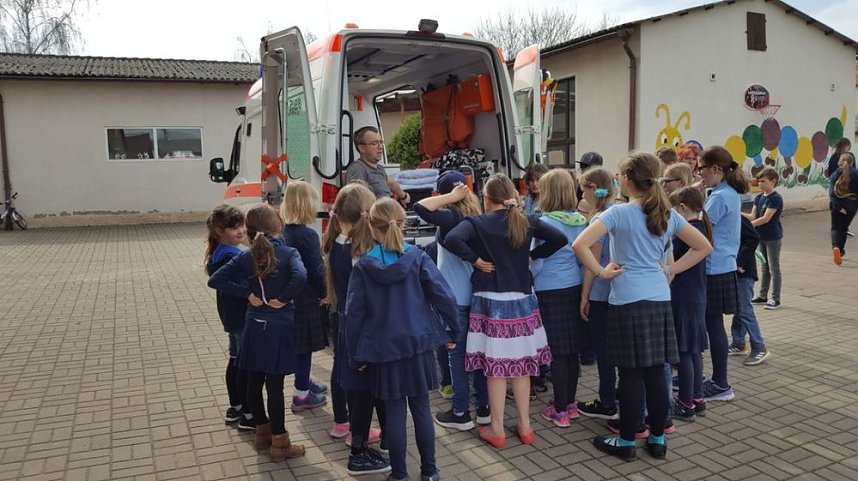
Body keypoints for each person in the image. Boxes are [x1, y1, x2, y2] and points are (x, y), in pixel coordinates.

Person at [572, 152, 712, 461]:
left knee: (631, 375)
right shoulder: (666, 212)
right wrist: (671, 270)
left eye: (621, 175)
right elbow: (704, 247)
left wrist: (601, 272)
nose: (619, 179)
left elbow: (579, 244)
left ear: (629, 179)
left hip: (627, 300)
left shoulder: (618, 213)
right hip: (659, 298)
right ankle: (658, 439)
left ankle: (626, 443)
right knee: (654, 374)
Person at [445, 173, 566, 449]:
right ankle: (525, 425)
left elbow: (452, 239)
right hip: (523, 300)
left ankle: (497, 428)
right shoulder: (526, 219)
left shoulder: (476, 223)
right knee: (522, 366)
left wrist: (475, 260)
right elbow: (559, 239)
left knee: (495, 368)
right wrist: (534, 255)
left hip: (490, 302)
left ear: (487, 199)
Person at [344, 197, 459, 481]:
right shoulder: (418, 257)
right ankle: (430, 473)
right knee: (421, 408)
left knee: (395, 413)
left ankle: (399, 474)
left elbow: (352, 314)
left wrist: (354, 355)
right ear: (403, 223)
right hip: (418, 345)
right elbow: (444, 295)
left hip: (384, 350)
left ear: (371, 226)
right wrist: (453, 329)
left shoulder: (363, 266)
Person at [207, 204, 308, 460]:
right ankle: (280, 442)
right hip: (278, 326)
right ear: (278, 225)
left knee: (253, 380)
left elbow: (215, 280)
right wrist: (284, 299)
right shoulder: (289, 252)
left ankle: (262, 432)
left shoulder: (245, 256)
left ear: (250, 230)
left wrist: (247, 293)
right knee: (274, 386)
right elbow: (301, 276)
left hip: (253, 324)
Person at [414, 171, 490, 431]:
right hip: (477, 297)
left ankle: (460, 411)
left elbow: (420, 207)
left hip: (455, 300)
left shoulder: (451, 218)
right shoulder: (477, 218)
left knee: (456, 356)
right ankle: (483, 409)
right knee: (478, 355)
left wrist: (448, 197)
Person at [322, 183, 390, 475]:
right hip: (365, 331)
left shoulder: (336, 241)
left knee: (361, 392)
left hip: (347, 326)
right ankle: (358, 453)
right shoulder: (364, 252)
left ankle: (372, 441)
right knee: (365, 395)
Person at [529, 169, 588, 428]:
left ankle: (560, 408)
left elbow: (535, 261)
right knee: (572, 349)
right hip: (574, 286)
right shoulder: (581, 220)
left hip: (549, 289)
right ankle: (571, 404)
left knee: (557, 352)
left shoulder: (545, 223)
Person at [697, 146, 750, 402]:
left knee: (713, 325)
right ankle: (715, 379)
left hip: (714, 267)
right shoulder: (724, 193)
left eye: (702, 168)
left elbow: (699, 228)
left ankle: (720, 383)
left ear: (716, 169)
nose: (700, 173)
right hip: (720, 265)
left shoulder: (719, 196)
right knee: (713, 323)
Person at [280, 181, 328, 412]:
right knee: (304, 347)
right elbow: (316, 270)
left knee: (300, 346)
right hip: (307, 297)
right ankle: (301, 394)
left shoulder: (284, 231)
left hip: (291, 297)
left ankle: (304, 381)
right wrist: (324, 293)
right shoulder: (308, 235)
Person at [577, 168, 620, 421]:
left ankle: (606, 401)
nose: (581, 194)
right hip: (621, 292)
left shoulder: (599, 220)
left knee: (604, 352)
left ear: (593, 188)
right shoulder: (622, 211)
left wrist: (585, 296)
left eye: (583, 188)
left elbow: (591, 264)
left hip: (602, 293)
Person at [204, 205, 251, 428]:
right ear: (219, 231)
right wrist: (249, 292)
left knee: (234, 359)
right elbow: (238, 286)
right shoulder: (232, 256)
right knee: (245, 364)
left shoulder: (219, 253)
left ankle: (236, 406)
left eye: (241, 225)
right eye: (234, 228)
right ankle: (249, 414)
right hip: (241, 316)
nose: (240, 231)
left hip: (230, 317)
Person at [667, 187, 711, 422]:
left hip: (684, 296)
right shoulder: (701, 227)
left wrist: (670, 269)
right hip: (696, 296)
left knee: (684, 352)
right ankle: (697, 398)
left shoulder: (687, 231)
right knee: (692, 350)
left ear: (682, 208)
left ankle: (685, 403)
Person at [730, 215, 771, 365]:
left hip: (744, 271)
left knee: (744, 309)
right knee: (739, 308)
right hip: (734, 271)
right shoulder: (728, 217)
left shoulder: (738, 218)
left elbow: (753, 238)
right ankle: (739, 343)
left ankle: (759, 347)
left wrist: (739, 261)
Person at [746, 167, 784, 310]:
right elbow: (753, 216)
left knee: (774, 268)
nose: (760, 184)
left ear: (773, 182)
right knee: (764, 266)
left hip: (773, 237)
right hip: (760, 237)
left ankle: (775, 298)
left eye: (763, 181)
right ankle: (762, 295)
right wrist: (736, 213)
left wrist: (748, 226)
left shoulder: (775, 198)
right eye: (758, 181)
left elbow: (765, 218)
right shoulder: (759, 197)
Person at [346, 126, 410, 202]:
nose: (380, 147)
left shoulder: (380, 169)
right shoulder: (358, 169)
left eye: (381, 142)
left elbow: (391, 183)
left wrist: (404, 196)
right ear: (362, 148)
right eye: (374, 143)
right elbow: (356, 198)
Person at [829, 152, 858, 265]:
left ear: (840, 162)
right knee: (844, 228)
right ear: (852, 162)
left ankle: (836, 248)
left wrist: (837, 206)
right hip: (851, 207)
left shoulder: (835, 174)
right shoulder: (856, 174)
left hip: (837, 206)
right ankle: (840, 250)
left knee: (836, 228)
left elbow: (831, 193)